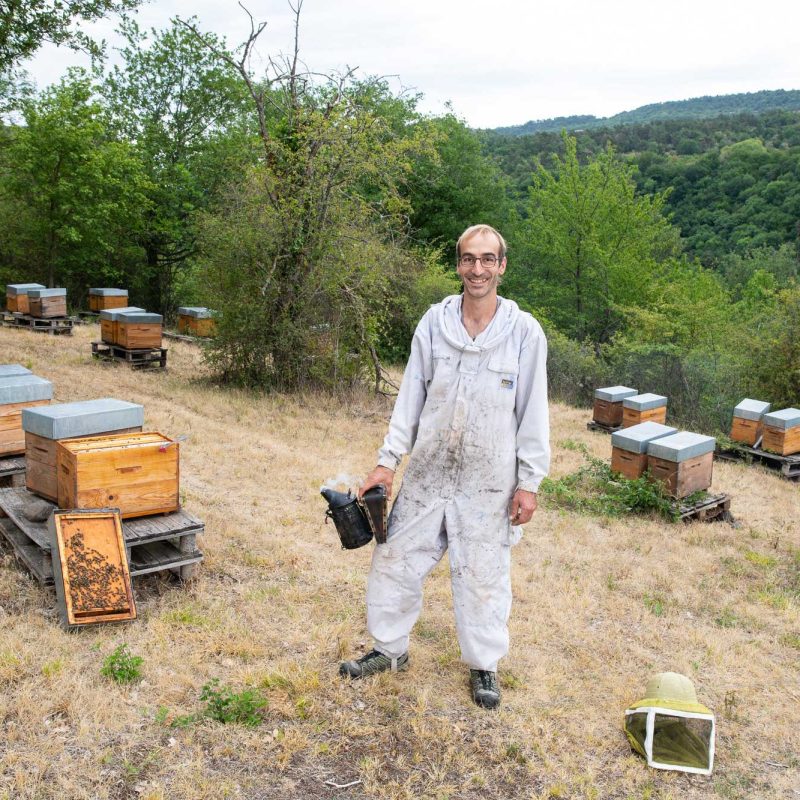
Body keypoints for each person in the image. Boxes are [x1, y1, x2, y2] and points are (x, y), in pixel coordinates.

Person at [339, 224, 550, 709]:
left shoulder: (524, 333)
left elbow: (533, 412)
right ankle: (388, 651)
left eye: (488, 260)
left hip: (489, 479)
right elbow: (410, 398)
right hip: (429, 473)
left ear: (502, 266)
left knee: (483, 573)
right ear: (458, 265)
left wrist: (529, 482)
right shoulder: (434, 324)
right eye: (469, 259)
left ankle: (485, 666)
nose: (478, 269)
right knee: (394, 560)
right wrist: (386, 463)